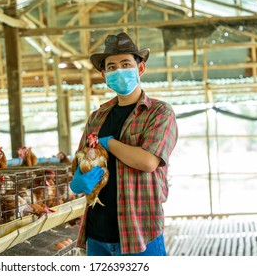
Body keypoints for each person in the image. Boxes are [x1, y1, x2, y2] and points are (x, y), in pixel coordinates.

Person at [70, 32, 178, 256]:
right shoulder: (97, 117)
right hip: (97, 235)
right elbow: (79, 160)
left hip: (140, 232)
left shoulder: (159, 112)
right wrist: (77, 181)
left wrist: (108, 143)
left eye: (126, 64)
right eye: (111, 67)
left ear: (140, 69)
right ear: (104, 75)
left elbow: (148, 161)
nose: (118, 70)